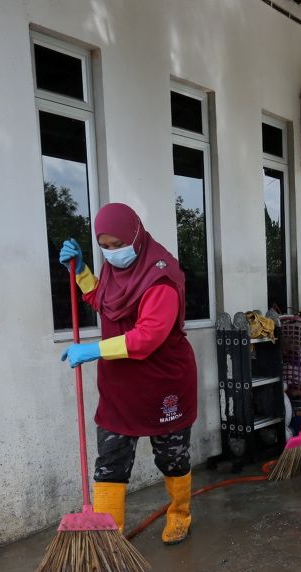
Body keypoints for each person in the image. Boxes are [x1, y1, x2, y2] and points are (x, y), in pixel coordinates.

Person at [59, 202, 198, 544]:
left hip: (163, 383)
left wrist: (93, 350)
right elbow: (102, 300)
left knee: (172, 457)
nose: (111, 253)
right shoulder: (114, 272)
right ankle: (109, 539)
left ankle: (180, 514)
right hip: (120, 386)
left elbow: (147, 337)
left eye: (117, 245)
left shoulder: (160, 277)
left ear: (135, 236)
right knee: (111, 461)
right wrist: (80, 271)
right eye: (103, 247)